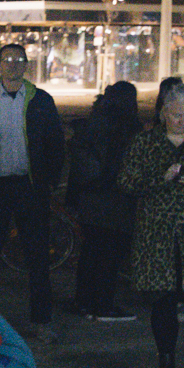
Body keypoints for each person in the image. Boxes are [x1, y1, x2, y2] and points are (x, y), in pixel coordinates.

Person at [0, 42, 65, 336]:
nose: (14, 65)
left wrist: (49, 180)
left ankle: (41, 320)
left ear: (26, 65)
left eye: (19, 59)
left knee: (37, 257)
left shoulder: (41, 101)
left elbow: (55, 143)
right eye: (8, 59)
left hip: (30, 188)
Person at [118, 85, 184, 368]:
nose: (182, 121)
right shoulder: (144, 142)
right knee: (163, 301)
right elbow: (126, 183)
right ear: (164, 113)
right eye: (176, 116)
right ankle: (166, 364)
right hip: (157, 235)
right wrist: (160, 178)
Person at [67, 81, 140, 321]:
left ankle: (83, 302)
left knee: (90, 252)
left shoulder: (93, 122)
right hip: (115, 200)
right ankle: (104, 305)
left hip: (90, 198)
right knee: (111, 254)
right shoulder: (128, 127)